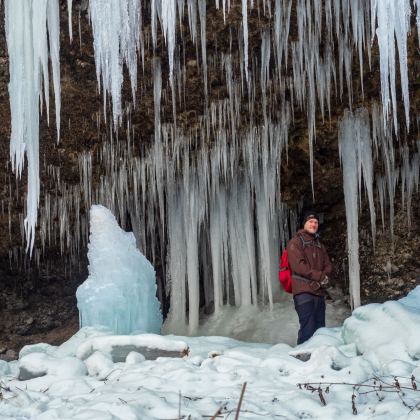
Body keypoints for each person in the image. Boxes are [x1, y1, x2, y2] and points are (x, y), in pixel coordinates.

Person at [287, 210, 332, 345]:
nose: (313, 224)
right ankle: (302, 361)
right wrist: (319, 277)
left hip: (318, 293)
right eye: (310, 221)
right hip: (303, 293)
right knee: (308, 330)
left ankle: (318, 362)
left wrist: (319, 282)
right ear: (304, 223)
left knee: (320, 331)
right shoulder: (295, 242)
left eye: (316, 222)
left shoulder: (320, 245)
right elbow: (299, 266)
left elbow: (328, 266)